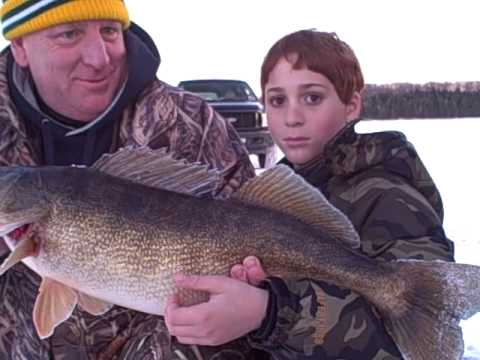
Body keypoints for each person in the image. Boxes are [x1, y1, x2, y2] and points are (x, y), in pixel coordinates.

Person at [166, 30, 455, 359]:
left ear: (352, 105)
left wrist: (270, 312)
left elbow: (395, 341)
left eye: (312, 98)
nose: (292, 118)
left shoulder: (389, 194)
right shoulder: (275, 194)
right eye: (277, 100)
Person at [0, 1, 256, 359]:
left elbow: (271, 243)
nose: (99, 58)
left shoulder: (190, 124)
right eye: (69, 34)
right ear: (20, 47)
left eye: (109, 30)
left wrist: (263, 306)